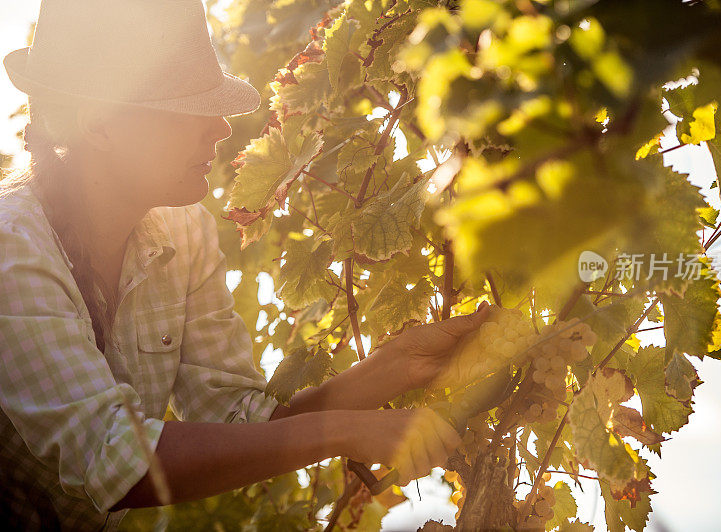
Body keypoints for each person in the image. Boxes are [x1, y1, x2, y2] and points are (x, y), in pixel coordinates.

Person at [0, 1, 492, 530]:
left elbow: (241, 422)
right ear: (98, 124)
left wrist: (395, 366)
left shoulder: (183, 229)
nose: (220, 128)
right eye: (187, 108)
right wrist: (341, 431)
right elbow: (111, 460)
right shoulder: (12, 250)